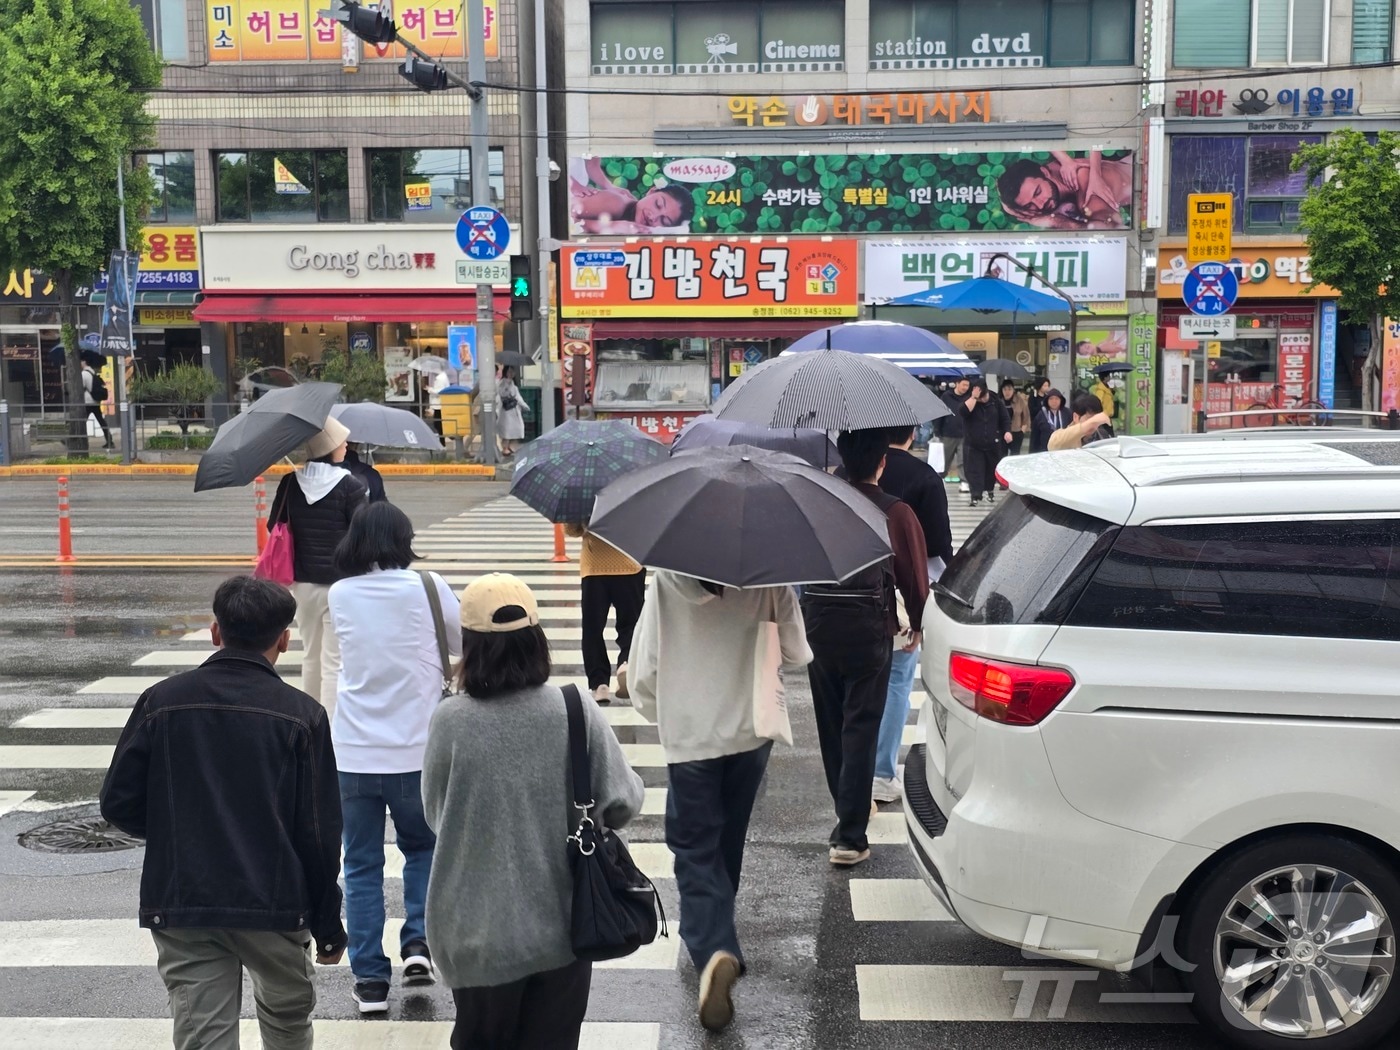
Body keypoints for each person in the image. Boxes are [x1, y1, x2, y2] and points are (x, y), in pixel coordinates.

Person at [99, 576, 346, 1050]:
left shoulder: (161, 701)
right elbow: (317, 833)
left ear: (216, 632)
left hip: (184, 897)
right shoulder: (303, 716)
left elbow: (118, 803)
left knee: (202, 1035)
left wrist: (180, 829)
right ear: (284, 640)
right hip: (275, 901)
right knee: (287, 1025)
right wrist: (328, 925)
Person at [423, 573, 644, 1050]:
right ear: (536, 640)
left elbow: (436, 814)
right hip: (561, 928)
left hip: (474, 935)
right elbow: (623, 801)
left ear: (471, 646)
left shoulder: (450, 720)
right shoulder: (574, 708)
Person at [631, 572, 811, 1032]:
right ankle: (718, 933)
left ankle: (714, 946)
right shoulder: (770, 575)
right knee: (727, 839)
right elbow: (796, 652)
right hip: (751, 729)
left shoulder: (667, 581)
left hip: (691, 735)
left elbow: (646, 670)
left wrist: (659, 708)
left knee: (694, 848)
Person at [328, 503, 461, 1015]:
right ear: (404, 539)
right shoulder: (428, 586)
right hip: (416, 749)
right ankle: (418, 944)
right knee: (423, 849)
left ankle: (369, 980)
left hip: (353, 752)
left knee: (360, 865)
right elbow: (463, 641)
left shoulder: (341, 593)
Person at [803, 429, 929, 868]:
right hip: (868, 629)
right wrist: (918, 621)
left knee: (831, 725)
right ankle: (850, 835)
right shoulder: (895, 512)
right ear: (882, 462)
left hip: (820, 625)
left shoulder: (822, 504)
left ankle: (847, 814)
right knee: (860, 726)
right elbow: (914, 577)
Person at [870, 426, 952, 804]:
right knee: (896, 682)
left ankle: (853, 770)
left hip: (852, 593)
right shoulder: (924, 478)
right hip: (901, 597)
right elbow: (937, 546)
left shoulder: (849, 472)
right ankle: (880, 772)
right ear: (912, 432)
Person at [267, 417, 368, 714]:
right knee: (334, 659)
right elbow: (362, 534)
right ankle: (331, 726)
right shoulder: (351, 486)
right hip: (341, 584)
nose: (346, 445)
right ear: (330, 447)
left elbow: (274, 525)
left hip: (303, 583)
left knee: (310, 654)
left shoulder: (291, 483)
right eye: (341, 441)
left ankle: (310, 719)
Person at [562, 518, 646, 704]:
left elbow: (572, 530)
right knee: (631, 624)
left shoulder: (584, 500)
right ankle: (626, 662)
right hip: (629, 564)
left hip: (594, 568)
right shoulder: (632, 499)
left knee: (592, 628)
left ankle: (599, 683)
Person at [995, 149, 1133, 230]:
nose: (1040, 205)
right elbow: (1011, 207)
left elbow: (1109, 229)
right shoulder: (1055, 171)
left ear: (1045, 172)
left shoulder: (1084, 181)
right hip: (1129, 163)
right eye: (1029, 205)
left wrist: (1054, 221)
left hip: (1142, 182)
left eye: (1037, 192)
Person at [570, 156, 696, 235]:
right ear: (651, 191)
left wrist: (608, 186)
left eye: (664, 221)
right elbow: (563, 219)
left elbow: (592, 160)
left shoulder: (633, 218)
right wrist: (609, 226)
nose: (653, 217)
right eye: (657, 204)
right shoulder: (617, 203)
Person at [958, 383, 1012, 506]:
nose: (982, 400)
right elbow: (963, 412)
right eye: (980, 398)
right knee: (974, 470)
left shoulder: (996, 401)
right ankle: (975, 494)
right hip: (973, 444)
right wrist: (974, 398)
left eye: (984, 397)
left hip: (992, 442)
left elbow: (1005, 418)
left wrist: (1007, 431)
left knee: (991, 469)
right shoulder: (971, 401)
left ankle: (989, 491)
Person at [932, 376, 971, 490]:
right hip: (948, 433)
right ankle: (940, 478)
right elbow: (940, 413)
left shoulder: (968, 398)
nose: (965, 387)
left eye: (967, 385)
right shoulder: (946, 396)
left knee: (963, 460)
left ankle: (964, 481)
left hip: (964, 434)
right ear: (957, 384)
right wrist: (937, 430)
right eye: (963, 385)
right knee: (945, 459)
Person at [1048, 392, 1114, 451]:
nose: (1094, 424)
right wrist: (1087, 426)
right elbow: (1052, 445)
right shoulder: (1064, 437)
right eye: (1090, 419)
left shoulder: (1103, 434)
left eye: (1097, 419)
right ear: (1075, 417)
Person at [82, 360, 115, 450]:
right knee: (101, 421)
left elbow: (81, 387)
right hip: (95, 401)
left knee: (81, 421)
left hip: (88, 402)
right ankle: (110, 441)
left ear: (85, 363)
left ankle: (73, 439)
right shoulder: (92, 372)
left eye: (82, 361)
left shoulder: (84, 374)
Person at [496, 366, 525, 457]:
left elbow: (518, 397)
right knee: (507, 430)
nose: (511, 374)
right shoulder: (502, 383)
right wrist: (506, 389)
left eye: (512, 372)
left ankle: (510, 447)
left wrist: (524, 406)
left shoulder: (513, 384)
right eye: (509, 372)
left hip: (513, 409)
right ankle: (505, 448)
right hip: (506, 410)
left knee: (517, 428)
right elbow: (501, 393)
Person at [1031, 388, 1071, 453]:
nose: (1054, 401)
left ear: (1061, 400)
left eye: (1057, 399)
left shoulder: (1068, 413)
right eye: (1051, 399)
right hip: (1045, 451)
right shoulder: (1041, 414)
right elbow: (1035, 436)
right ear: (1047, 400)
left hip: (1064, 450)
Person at [999, 379, 1031, 456]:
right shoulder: (999, 401)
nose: (1007, 392)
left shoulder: (1019, 400)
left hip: (1016, 432)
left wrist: (1023, 429)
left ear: (1013, 390)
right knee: (1002, 455)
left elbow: (1026, 415)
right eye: (1005, 389)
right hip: (1002, 432)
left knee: (1015, 455)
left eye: (1009, 389)